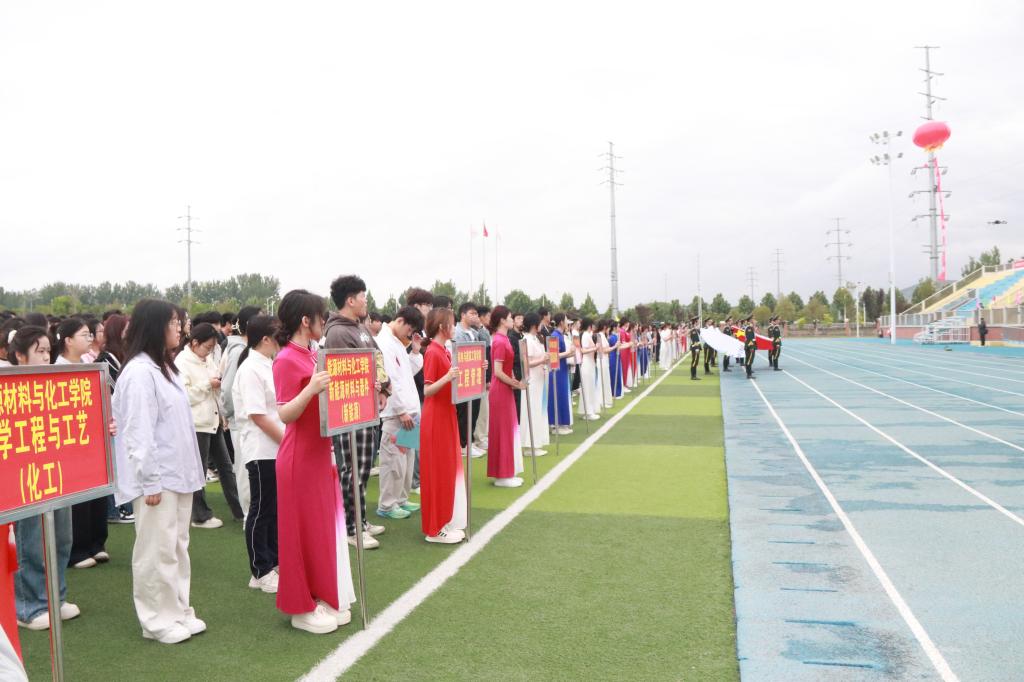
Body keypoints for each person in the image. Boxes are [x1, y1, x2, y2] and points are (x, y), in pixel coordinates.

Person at [112, 300, 206, 644]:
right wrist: (149, 480)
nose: (180, 329)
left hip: (178, 473)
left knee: (176, 546)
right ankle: (155, 619)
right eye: (174, 323)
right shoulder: (139, 372)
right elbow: (139, 431)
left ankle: (178, 609)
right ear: (155, 327)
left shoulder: (165, 367)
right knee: (156, 550)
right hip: (158, 477)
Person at [273, 290, 355, 633]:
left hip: (320, 455)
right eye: (321, 317)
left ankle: (321, 594)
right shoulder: (286, 359)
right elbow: (284, 413)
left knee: (319, 531)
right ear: (306, 321)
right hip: (299, 460)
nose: (325, 322)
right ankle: (300, 605)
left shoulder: (312, 355)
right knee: (299, 533)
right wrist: (310, 389)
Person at [8, 327, 80, 631]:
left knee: (61, 537)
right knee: (31, 541)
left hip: (56, 474)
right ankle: (28, 606)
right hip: (25, 478)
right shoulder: (8, 386)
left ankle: (55, 597)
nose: (46, 356)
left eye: (48, 350)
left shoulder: (55, 383)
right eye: (39, 351)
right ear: (20, 356)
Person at [323, 275, 390, 550]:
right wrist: (374, 387)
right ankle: (351, 528)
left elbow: (377, 358)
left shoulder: (360, 328)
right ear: (350, 300)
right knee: (352, 470)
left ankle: (360, 520)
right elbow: (346, 375)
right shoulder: (338, 332)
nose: (366, 301)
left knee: (362, 469)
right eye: (363, 296)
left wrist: (384, 389)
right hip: (351, 412)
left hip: (367, 409)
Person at [52, 319, 112, 570]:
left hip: (93, 438)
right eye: (84, 335)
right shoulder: (57, 369)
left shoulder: (90, 364)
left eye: (90, 334)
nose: (90, 339)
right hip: (70, 440)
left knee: (96, 493)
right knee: (77, 496)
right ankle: (77, 550)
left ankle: (96, 543)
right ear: (67, 340)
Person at [232, 315, 284, 594]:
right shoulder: (251, 368)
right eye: (278, 335)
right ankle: (260, 570)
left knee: (273, 510)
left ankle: (273, 562)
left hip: (274, 448)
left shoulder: (267, 365)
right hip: (262, 448)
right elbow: (258, 415)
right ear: (265, 339)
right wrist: (286, 441)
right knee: (261, 509)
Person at [175, 323, 244, 528]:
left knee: (225, 467)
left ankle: (240, 509)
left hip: (212, 420)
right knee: (199, 471)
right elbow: (183, 396)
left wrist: (222, 413)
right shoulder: (182, 361)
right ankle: (200, 516)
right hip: (196, 424)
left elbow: (215, 386)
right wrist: (208, 385)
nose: (209, 352)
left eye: (212, 348)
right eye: (207, 347)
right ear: (194, 343)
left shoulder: (206, 359)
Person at [419, 308, 467, 544]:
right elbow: (427, 390)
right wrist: (448, 377)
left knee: (446, 470)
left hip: (446, 414)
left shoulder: (443, 350)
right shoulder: (432, 352)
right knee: (436, 472)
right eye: (452, 323)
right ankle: (434, 528)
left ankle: (443, 521)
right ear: (442, 327)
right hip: (435, 417)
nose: (454, 327)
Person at [374, 306, 425, 519]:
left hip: (409, 411)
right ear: (401, 321)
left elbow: (406, 374)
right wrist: (401, 410)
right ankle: (387, 505)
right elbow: (390, 379)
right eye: (409, 329)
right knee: (393, 461)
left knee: (406, 460)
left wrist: (415, 351)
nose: (409, 334)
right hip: (397, 414)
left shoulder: (396, 342)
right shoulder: (384, 342)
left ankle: (401, 499)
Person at [219, 305, 263, 519]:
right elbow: (227, 389)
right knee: (245, 471)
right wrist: (227, 414)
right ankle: (248, 515)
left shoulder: (248, 350)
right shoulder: (238, 351)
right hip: (241, 421)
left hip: (250, 422)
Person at [486, 306, 525, 488]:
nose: (512, 319)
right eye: (510, 317)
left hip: (505, 388)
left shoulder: (504, 339)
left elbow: (505, 369)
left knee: (507, 430)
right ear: (502, 320)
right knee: (502, 431)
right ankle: (502, 475)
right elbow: (498, 371)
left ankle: (507, 471)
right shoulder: (500, 341)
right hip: (501, 390)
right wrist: (515, 383)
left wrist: (514, 380)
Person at [453, 302, 484, 458]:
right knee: (464, 413)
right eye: (472, 313)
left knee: (474, 411)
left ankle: (469, 442)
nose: (475, 316)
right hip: (463, 380)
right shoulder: (456, 333)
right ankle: (463, 444)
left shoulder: (474, 332)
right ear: (463, 315)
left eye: (476, 314)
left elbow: (483, 347)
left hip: (475, 378)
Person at [519, 313, 550, 455]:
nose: (542, 326)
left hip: (540, 379)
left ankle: (537, 442)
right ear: (534, 324)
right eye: (540, 323)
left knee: (538, 411)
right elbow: (527, 363)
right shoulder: (526, 340)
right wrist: (542, 360)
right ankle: (529, 445)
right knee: (531, 410)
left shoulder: (536, 338)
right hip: (532, 380)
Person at [547, 313, 574, 434]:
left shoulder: (561, 335)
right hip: (556, 371)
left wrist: (570, 353)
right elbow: (553, 356)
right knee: (558, 395)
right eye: (566, 321)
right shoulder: (554, 335)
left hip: (562, 368)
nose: (568, 323)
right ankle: (556, 424)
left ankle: (563, 423)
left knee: (563, 395)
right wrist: (568, 353)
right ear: (561, 322)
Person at [577, 318, 600, 420]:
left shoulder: (588, 335)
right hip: (587, 364)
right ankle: (588, 412)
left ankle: (589, 410)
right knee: (587, 388)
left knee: (590, 387)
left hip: (590, 363)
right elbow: (583, 350)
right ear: (589, 325)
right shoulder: (585, 335)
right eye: (592, 325)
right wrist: (595, 348)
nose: (593, 327)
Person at [596, 320, 614, 410]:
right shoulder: (600, 336)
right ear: (604, 327)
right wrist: (615, 346)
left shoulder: (603, 336)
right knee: (602, 380)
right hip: (601, 360)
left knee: (605, 380)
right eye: (608, 327)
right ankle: (602, 401)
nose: (609, 329)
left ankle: (605, 400)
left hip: (605, 360)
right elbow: (604, 350)